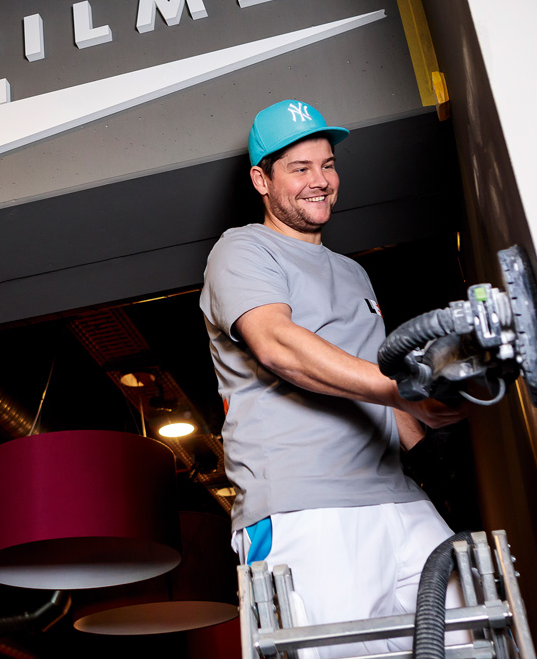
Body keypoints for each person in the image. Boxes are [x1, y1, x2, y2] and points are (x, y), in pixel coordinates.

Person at [199, 100, 467, 658]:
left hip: (396, 496)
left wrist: (432, 414)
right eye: (300, 169)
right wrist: (400, 390)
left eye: (327, 165)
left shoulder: (353, 271)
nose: (320, 181)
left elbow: (379, 386)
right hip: (305, 504)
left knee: (472, 633)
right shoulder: (243, 249)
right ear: (261, 180)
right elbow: (278, 344)